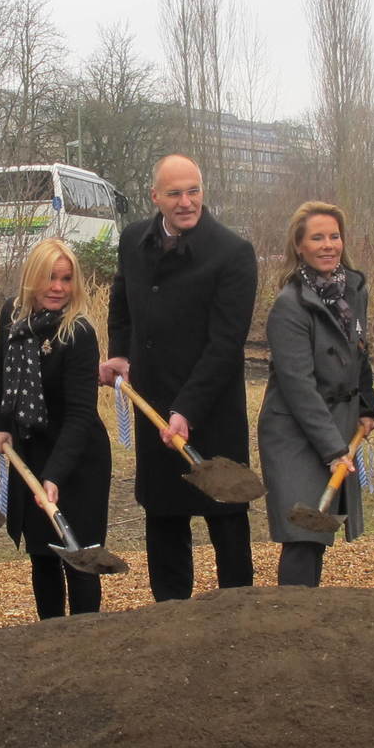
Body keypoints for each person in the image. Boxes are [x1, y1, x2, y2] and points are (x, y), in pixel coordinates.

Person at [100, 154, 259, 601]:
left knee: (226, 514)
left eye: (194, 191)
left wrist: (187, 409)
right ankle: (170, 617)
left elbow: (225, 344)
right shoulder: (134, 240)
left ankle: (238, 612)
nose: (186, 201)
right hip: (153, 403)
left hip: (211, 410)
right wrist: (119, 354)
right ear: (156, 197)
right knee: (164, 515)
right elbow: (121, 302)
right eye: (175, 193)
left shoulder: (233, 253)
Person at [0, 237, 112, 619]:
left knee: (78, 556)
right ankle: (50, 639)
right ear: (31, 279)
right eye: (50, 278)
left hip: (77, 459)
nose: (58, 287)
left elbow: (79, 415)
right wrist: (0, 424)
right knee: (42, 555)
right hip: (31, 448)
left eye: (66, 278)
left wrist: (55, 475)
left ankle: (86, 639)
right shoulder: (13, 317)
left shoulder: (78, 333)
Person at [258, 202, 374, 587]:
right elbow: (298, 385)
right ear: (299, 246)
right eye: (317, 237)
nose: (329, 245)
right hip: (294, 433)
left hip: (335, 424)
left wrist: (367, 407)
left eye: (334, 236)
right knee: (302, 532)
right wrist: (332, 449)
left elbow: (359, 351)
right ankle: (293, 616)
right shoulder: (289, 306)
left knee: (318, 531)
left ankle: (306, 614)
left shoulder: (353, 291)